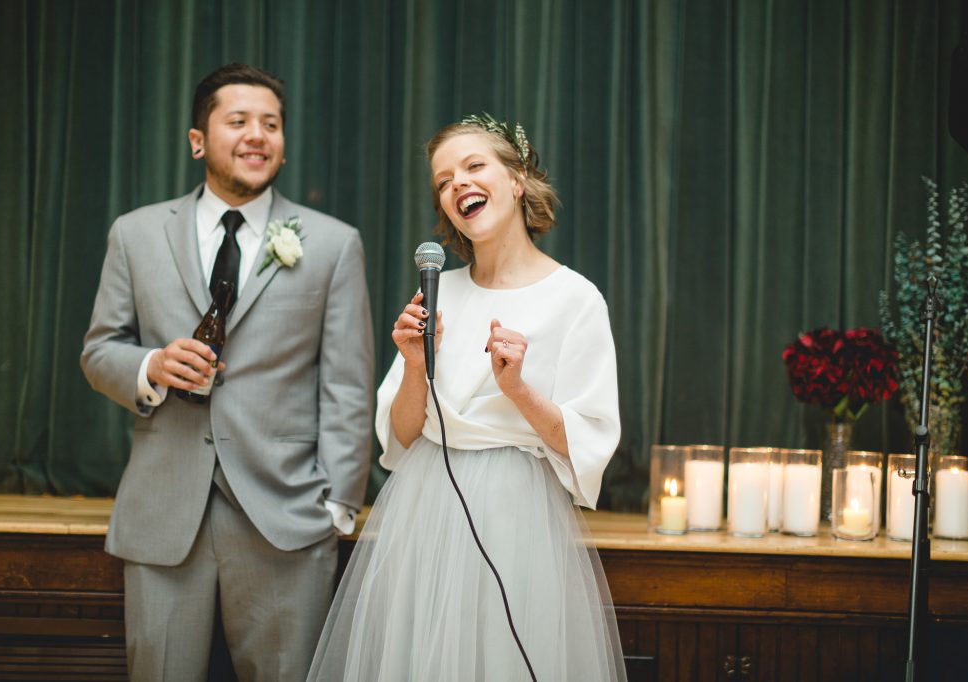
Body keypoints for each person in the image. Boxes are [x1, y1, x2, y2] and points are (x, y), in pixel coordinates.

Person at [81, 63, 374, 681]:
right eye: (238, 121)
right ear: (198, 141)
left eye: (271, 124)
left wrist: (339, 505)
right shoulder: (135, 234)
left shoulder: (331, 243)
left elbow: (347, 382)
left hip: (288, 519)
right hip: (163, 516)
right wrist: (152, 365)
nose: (257, 135)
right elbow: (100, 350)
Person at [308, 114, 626, 681]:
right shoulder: (439, 292)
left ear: (517, 180)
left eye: (474, 167)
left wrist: (518, 391)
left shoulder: (576, 299)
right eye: (444, 180)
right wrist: (412, 365)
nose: (458, 184)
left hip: (518, 516)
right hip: (425, 514)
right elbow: (402, 438)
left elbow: (588, 443)